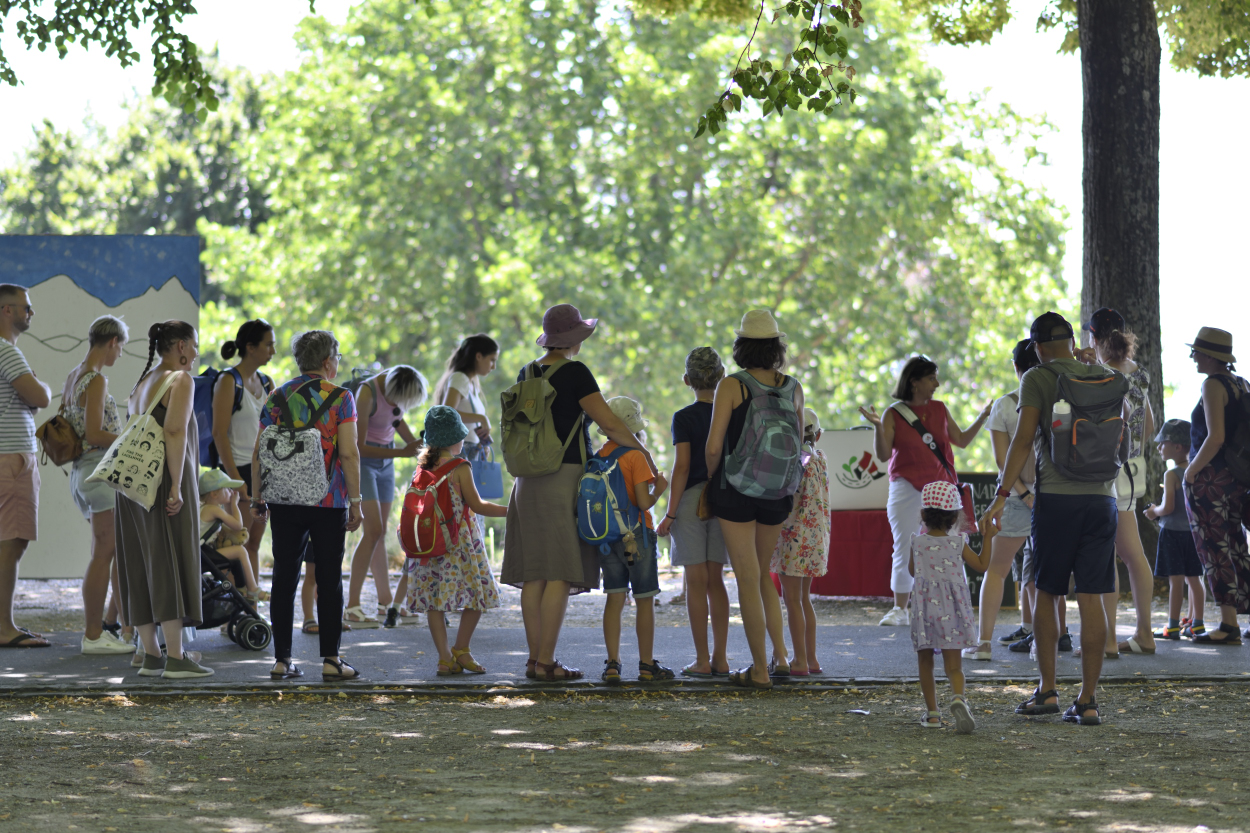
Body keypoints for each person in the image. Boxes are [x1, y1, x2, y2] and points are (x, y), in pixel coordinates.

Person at [981, 311, 1128, 727]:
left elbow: (1023, 440)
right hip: (1103, 500)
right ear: (1071, 342)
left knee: (1046, 593)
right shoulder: (1103, 375)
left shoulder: (1038, 377)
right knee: (1092, 597)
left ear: (1038, 348)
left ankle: (1047, 690)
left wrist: (1001, 496)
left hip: (1057, 501)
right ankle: (1088, 700)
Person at [500, 303, 654, 682]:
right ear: (574, 339)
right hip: (562, 477)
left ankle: (534, 660)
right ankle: (547, 662)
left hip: (525, 481)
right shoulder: (576, 372)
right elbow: (610, 424)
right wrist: (643, 453)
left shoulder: (527, 372)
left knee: (534, 574)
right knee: (558, 572)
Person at [251, 330, 364, 681]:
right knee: (329, 579)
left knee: (284, 576)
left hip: (284, 499)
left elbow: (259, 453)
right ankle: (331, 660)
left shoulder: (276, 397)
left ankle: (282, 660)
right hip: (329, 500)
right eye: (338, 358)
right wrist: (356, 502)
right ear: (328, 362)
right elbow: (348, 453)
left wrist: (257, 497)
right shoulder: (342, 397)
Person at [705, 310, 804, 690]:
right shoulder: (793, 387)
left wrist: (712, 482)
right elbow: (799, 444)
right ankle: (781, 657)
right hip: (777, 492)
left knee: (746, 579)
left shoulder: (732, 385)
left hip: (737, 489)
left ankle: (759, 670)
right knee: (764, 576)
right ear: (777, 347)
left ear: (741, 345)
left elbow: (714, 447)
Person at [859, 356, 990, 626]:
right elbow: (883, 455)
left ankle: (955, 607)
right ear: (914, 382)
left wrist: (983, 417)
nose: (937, 384)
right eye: (931, 378)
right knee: (905, 545)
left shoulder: (940, 409)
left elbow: (962, 440)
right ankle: (900, 609)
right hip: (906, 487)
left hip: (942, 490)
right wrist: (878, 427)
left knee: (952, 545)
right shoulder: (894, 413)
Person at [116, 321, 212, 678]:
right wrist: (176, 486)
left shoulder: (142, 382)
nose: (196, 353)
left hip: (131, 484)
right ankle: (175, 656)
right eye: (195, 346)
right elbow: (173, 430)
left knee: (139, 562)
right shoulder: (180, 380)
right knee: (167, 559)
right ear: (182, 346)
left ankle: (151, 654)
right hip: (161, 480)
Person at [967, 339, 1069, 659]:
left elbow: (1003, 460)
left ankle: (983, 644)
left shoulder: (1005, 405)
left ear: (1016, 367)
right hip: (1053, 494)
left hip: (1012, 496)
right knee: (1047, 573)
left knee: (996, 571)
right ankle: (1052, 638)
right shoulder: (1059, 400)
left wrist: (1023, 493)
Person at [1077, 307, 1156, 656]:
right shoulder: (1139, 373)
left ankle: (1108, 640)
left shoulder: (1100, 374)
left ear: (1093, 337)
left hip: (1106, 472)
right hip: (1133, 470)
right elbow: (1149, 426)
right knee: (1133, 554)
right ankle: (1144, 633)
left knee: (1105, 553)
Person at [404, 406, 506, 676]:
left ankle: (444, 658)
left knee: (434, 602)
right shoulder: (460, 467)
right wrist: (511, 511)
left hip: (430, 546)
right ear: (455, 439)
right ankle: (462, 648)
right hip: (458, 545)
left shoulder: (421, 468)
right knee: (478, 595)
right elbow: (478, 505)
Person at [59, 315, 135, 655]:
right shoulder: (96, 379)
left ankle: (116, 628)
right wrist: (130, 439)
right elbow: (93, 433)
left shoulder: (73, 376)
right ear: (113, 342)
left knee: (106, 552)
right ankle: (93, 635)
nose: (119, 354)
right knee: (104, 554)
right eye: (121, 348)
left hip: (82, 473)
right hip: (99, 472)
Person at [656, 347, 730, 679]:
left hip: (690, 503)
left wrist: (670, 515)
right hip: (725, 500)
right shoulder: (733, 414)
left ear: (687, 380)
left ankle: (701, 660)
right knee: (717, 581)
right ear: (722, 376)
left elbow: (682, 467)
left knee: (696, 582)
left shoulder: (683, 417)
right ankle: (721, 658)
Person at [594, 396, 672, 684]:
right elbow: (642, 501)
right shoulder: (635, 456)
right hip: (636, 535)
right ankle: (647, 665)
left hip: (607, 537)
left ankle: (612, 664)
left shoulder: (599, 455)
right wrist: (660, 488)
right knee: (644, 599)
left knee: (615, 597)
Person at [342, 365, 427, 629]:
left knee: (379, 532)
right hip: (365, 463)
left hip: (386, 463)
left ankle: (386, 602)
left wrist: (418, 447)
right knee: (372, 531)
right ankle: (352, 607)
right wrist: (402, 453)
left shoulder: (398, 389)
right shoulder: (367, 393)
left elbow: (395, 420)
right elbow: (358, 447)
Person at [1181, 327, 1249, 645]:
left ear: (1210, 356)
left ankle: (1228, 625)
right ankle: (1238, 619)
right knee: (1237, 546)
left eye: (1196, 352)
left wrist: (1190, 471)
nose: (1193, 356)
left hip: (1210, 481)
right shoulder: (1241, 383)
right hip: (1237, 479)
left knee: (1214, 549)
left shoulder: (1212, 385)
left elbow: (1215, 437)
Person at [910, 481, 993, 732]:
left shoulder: (917, 543)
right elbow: (982, 565)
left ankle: (933, 715)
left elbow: (913, 571)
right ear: (955, 517)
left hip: (925, 612)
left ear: (923, 514)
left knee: (925, 662)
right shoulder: (958, 543)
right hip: (953, 614)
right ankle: (958, 698)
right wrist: (988, 537)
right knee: (954, 667)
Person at [0, 284, 51, 648]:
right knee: (11, 545)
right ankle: (4, 629)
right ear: (7, 310)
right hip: (12, 460)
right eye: (26, 307)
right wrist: (38, 385)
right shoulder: (7, 352)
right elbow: (40, 397)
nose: (30, 313)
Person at [210, 319, 277, 587]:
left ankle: (251, 603)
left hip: (264, 471)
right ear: (250, 347)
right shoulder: (228, 381)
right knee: (235, 542)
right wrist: (236, 480)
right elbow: (218, 433)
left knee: (254, 543)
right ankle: (232, 605)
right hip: (237, 469)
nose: (273, 351)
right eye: (268, 345)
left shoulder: (267, 382)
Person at [770, 408, 831, 677]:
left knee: (792, 599)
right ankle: (812, 658)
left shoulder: (793, 461)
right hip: (815, 537)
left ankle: (799, 660)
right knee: (804, 599)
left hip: (793, 537)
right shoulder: (820, 458)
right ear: (818, 435)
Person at [1143, 419, 1205, 639]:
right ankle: (1198, 624)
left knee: (1176, 580)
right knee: (1195, 578)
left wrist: (1153, 511)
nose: (1159, 447)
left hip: (1172, 534)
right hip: (1194, 533)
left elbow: (1168, 507)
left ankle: (1172, 627)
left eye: (1163, 443)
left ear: (1177, 446)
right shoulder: (1198, 471)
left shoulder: (1171, 475)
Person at [198, 469, 267, 602]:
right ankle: (252, 589)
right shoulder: (213, 509)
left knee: (237, 553)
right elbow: (237, 525)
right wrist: (235, 504)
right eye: (227, 488)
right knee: (241, 551)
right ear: (214, 493)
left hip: (204, 553)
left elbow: (230, 527)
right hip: (204, 555)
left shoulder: (207, 508)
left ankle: (241, 588)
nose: (231, 492)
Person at [434, 333, 500, 460]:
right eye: (492, 360)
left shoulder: (472, 384)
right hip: (458, 452)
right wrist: (482, 418)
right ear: (478, 356)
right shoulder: (460, 378)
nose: (493, 366)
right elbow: (447, 413)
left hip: (469, 451)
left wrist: (480, 446)